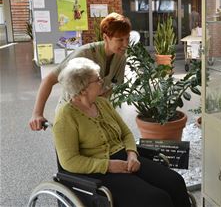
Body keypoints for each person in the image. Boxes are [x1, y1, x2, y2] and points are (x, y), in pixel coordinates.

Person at [53, 57, 191, 207]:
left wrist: (132, 153)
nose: (102, 82)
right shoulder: (65, 116)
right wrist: (108, 165)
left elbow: (126, 133)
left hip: (126, 157)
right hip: (98, 171)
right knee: (156, 199)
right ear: (83, 88)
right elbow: (69, 161)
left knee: (175, 181)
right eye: (97, 79)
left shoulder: (102, 103)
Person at [29, 12, 130, 131]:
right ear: (105, 38)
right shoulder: (83, 54)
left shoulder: (121, 57)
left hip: (95, 116)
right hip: (71, 116)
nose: (125, 44)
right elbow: (48, 80)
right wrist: (37, 114)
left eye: (127, 38)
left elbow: (112, 87)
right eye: (120, 40)